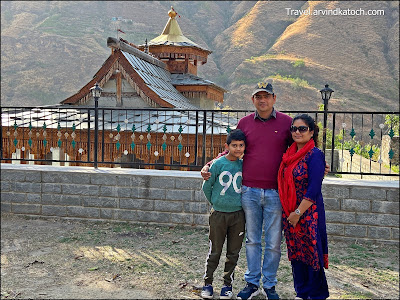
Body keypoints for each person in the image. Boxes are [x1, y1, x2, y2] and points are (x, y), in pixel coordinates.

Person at [202, 82, 293, 300]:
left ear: (274, 98)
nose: (262, 100)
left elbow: (299, 146)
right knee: (252, 240)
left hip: (275, 191)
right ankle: (252, 283)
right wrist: (210, 164)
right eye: (258, 96)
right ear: (253, 99)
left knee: (272, 242)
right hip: (249, 191)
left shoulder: (287, 123)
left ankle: (269, 285)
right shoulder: (244, 123)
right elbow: (230, 150)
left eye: (266, 96)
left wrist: (318, 160)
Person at [277, 114, 329, 299]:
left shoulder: (315, 155)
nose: (297, 132)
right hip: (290, 212)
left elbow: (314, 188)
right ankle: (302, 291)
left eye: (302, 129)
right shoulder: (289, 154)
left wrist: (298, 212)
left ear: (312, 131)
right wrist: (292, 213)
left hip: (308, 213)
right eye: (294, 129)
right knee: (296, 253)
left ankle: (316, 294)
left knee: (311, 254)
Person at [201, 129, 247, 300]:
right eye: (234, 145)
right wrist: (216, 203)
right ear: (227, 146)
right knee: (215, 250)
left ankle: (227, 285)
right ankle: (208, 283)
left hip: (238, 216)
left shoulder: (244, 164)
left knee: (233, 252)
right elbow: (207, 186)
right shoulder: (218, 164)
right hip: (219, 214)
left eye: (241, 145)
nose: (238, 149)